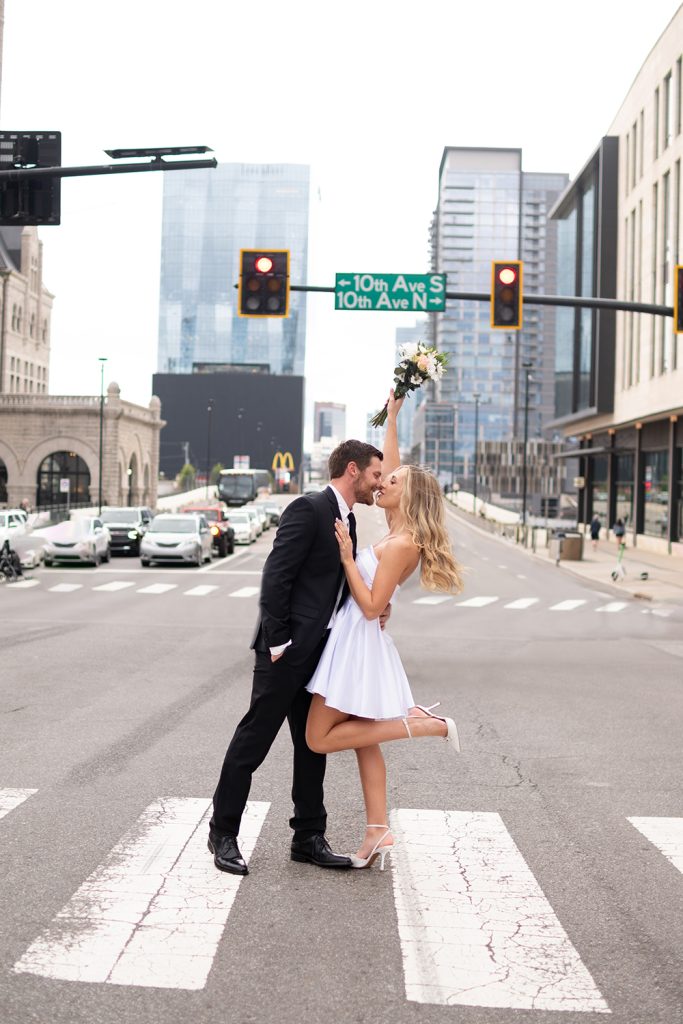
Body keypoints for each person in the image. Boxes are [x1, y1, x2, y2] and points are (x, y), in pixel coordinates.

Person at [209, 438, 384, 875]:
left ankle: (308, 836)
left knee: (311, 748)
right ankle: (223, 832)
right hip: (284, 653)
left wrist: (376, 606)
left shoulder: (348, 521)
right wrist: (279, 641)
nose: (377, 485)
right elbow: (276, 577)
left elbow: (333, 587)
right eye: (375, 475)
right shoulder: (308, 509)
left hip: (320, 655)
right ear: (352, 471)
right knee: (254, 740)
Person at [305, 391, 464, 871]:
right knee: (363, 736)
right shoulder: (397, 525)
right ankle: (378, 827)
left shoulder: (403, 542)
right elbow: (393, 465)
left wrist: (349, 558)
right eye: (381, 477)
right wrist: (392, 418)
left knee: (319, 737)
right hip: (354, 639)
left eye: (389, 481)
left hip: (358, 640)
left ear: (405, 495)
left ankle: (423, 724)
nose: (381, 482)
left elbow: (373, 607)